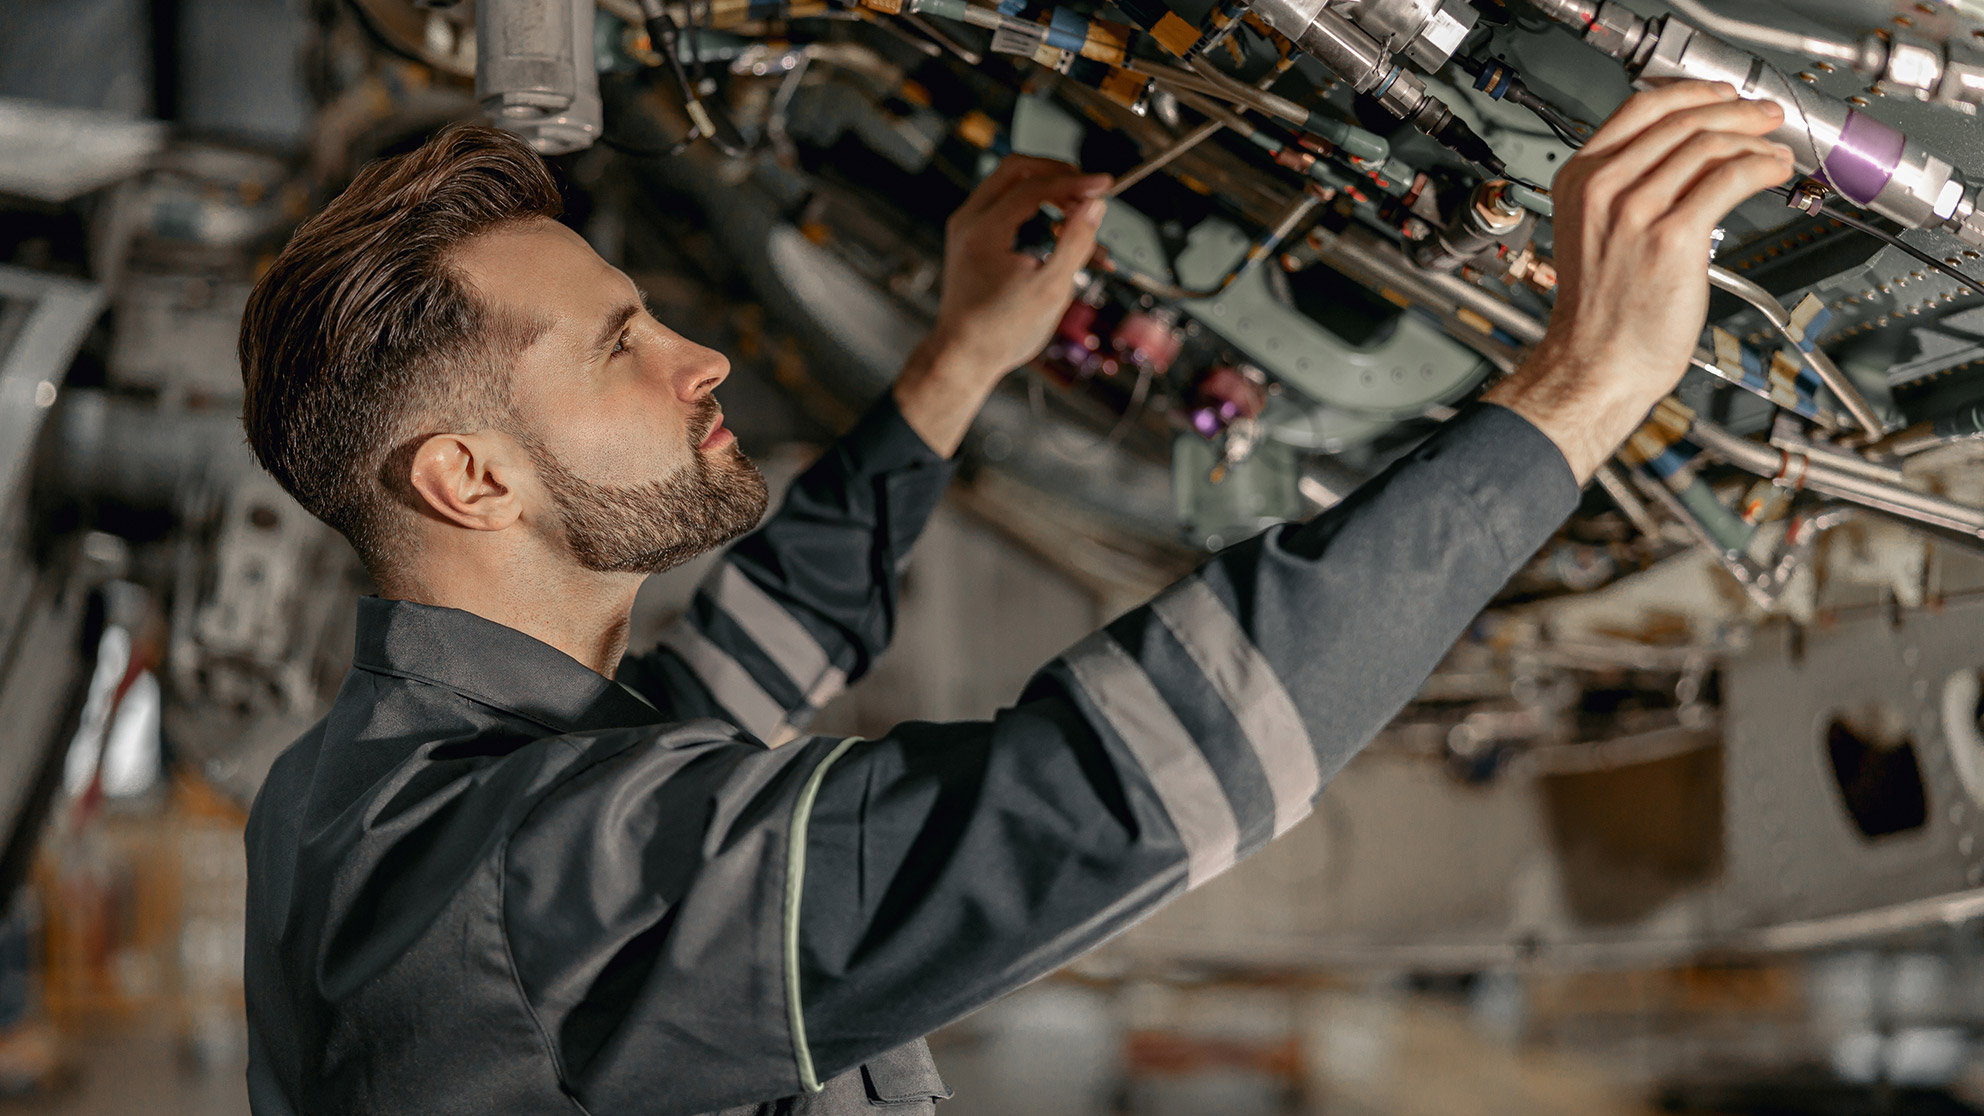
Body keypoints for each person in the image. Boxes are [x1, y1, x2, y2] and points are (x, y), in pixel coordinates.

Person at [237, 81, 1794, 1115]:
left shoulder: (386, 792)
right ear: (470, 482)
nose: (696, 357)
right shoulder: (524, 897)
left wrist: (962, 356)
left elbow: (732, 681)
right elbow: (1098, 799)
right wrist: (1580, 393)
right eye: (619, 345)